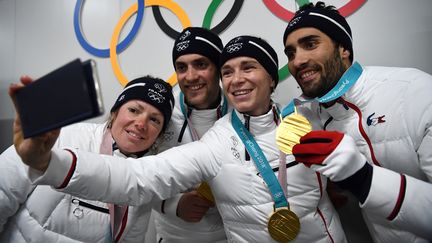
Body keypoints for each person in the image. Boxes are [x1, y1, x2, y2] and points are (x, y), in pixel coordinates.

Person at [11, 36, 347, 242]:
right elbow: (138, 177)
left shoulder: (308, 118)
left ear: (272, 78)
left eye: (249, 67)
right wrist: (48, 163)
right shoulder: (217, 141)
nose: (237, 79)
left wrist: (346, 176)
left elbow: (363, 159)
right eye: (229, 70)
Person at [282, 2, 432, 242]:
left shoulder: (415, 90)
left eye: (310, 44)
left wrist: (363, 178)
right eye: (290, 53)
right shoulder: (306, 116)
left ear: (343, 49)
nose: (297, 61)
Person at [1, 75, 175, 242]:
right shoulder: (63, 137)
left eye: (154, 120)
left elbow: (131, 238)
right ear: (115, 113)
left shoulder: (146, 178)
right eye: (134, 110)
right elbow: (3, 191)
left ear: (159, 134)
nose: (141, 124)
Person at [152, 27, 228, 242]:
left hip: (230, 235)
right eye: (181, 67)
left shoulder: (241, 110)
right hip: (174, 237)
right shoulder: (159, 112)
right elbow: (130, 174)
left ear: (219, 69)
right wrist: (172, 204)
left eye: (201, 64)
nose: (191, 76)